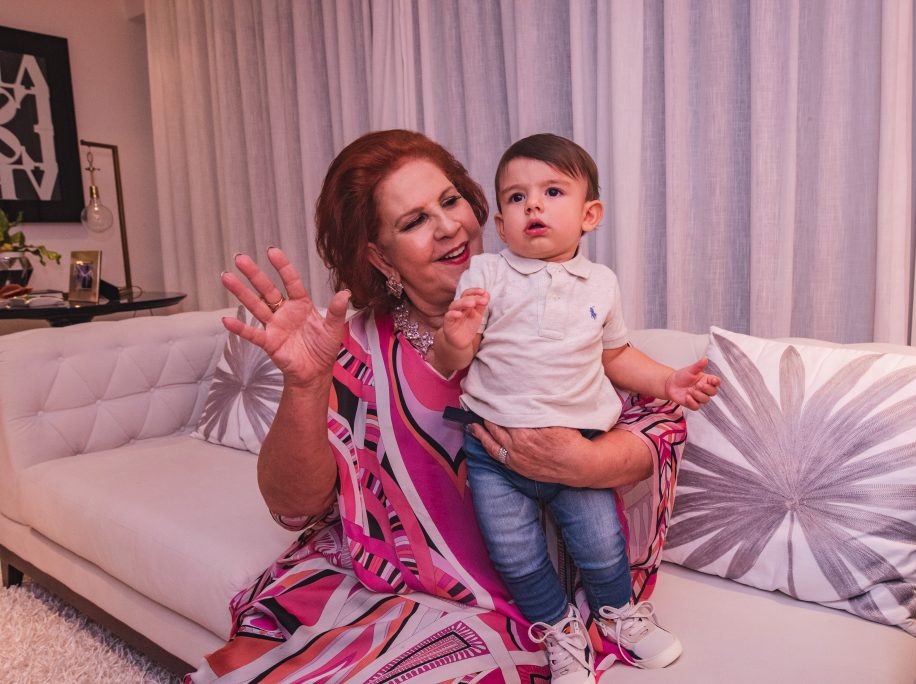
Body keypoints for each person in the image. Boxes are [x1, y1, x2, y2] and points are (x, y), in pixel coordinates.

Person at [188, 129, 716, 683]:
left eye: (450, 201)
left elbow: (658, 422)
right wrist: (305, 384)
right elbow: (295, 508)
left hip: (542, 593)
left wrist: (586, 463)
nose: (448, 227)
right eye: (414, 221)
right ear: (379, 256)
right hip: (404, 585)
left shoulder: (560, 299)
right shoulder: (356, 347)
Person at [433, 134, 718, 683]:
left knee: (602, 543)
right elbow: (452, 362)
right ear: (501, 225)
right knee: (513, 553)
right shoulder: (486, 275)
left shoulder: (601, 283)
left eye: (552, 192)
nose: (533, 205)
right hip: (494, 456)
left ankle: (618, 614)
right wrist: (454, 336)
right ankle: (558, 627)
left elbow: (616, 356)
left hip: (581, 448)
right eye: (516, 197)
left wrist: (668, 381)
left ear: (590, 215)